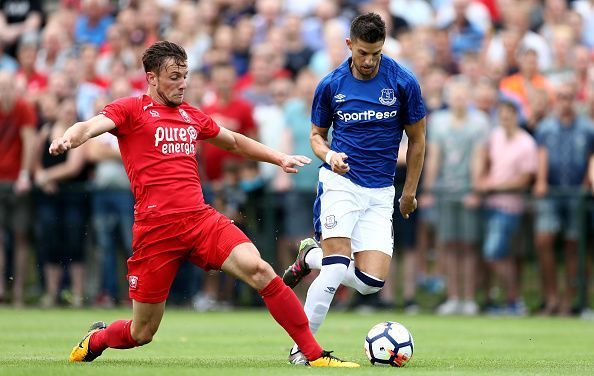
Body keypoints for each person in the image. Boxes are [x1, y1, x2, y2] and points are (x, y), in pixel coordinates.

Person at [51, 41, 358, 368]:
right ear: (152, 78)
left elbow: (235, 142)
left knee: (259, 268)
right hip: (156, 231)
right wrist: (71, 138)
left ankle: (313, 354)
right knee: (142, 332)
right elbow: (90, 125)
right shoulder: (130, 109)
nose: (182, 83)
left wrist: (278, 157)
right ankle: (97, 338)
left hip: (200, 220)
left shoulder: (190, 115)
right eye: (173, 77)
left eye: (185, 75)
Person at [282, 13, 426, 364]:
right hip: (340, 184)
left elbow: (418, 140)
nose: (368, 61)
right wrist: (330, 155)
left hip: (380, 193)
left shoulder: (403, 82)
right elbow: (316, 136)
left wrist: (408, 193)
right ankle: (304, 351)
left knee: (371, 282)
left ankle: (309, 256)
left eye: (375, 53)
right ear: (349, 45)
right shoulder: (332, 84)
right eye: (362, 52)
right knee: (335, 267)